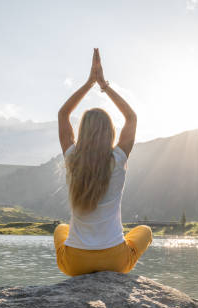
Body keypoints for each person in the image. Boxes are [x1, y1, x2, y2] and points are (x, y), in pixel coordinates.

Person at [53, 48, 152, 276]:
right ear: (110, 133)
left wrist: (89, 83)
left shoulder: (71, 158)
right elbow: (132, 118)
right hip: (114, 260)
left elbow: (63, 115)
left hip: (75, 264)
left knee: (61, 229)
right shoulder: (118, 159)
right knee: (144, 231)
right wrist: (104, 86)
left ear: (83, 133)